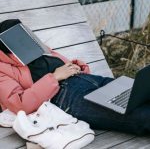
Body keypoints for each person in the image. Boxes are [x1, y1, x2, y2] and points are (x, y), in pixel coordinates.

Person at [0, 19, 150, 135]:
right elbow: (19, 105)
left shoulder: (36, 49)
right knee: (139, 116)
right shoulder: (2, 69)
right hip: (65, 97)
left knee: (142, 94)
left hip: (87, 81)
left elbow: (60, 64)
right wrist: (54, 77)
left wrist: (76, 66)